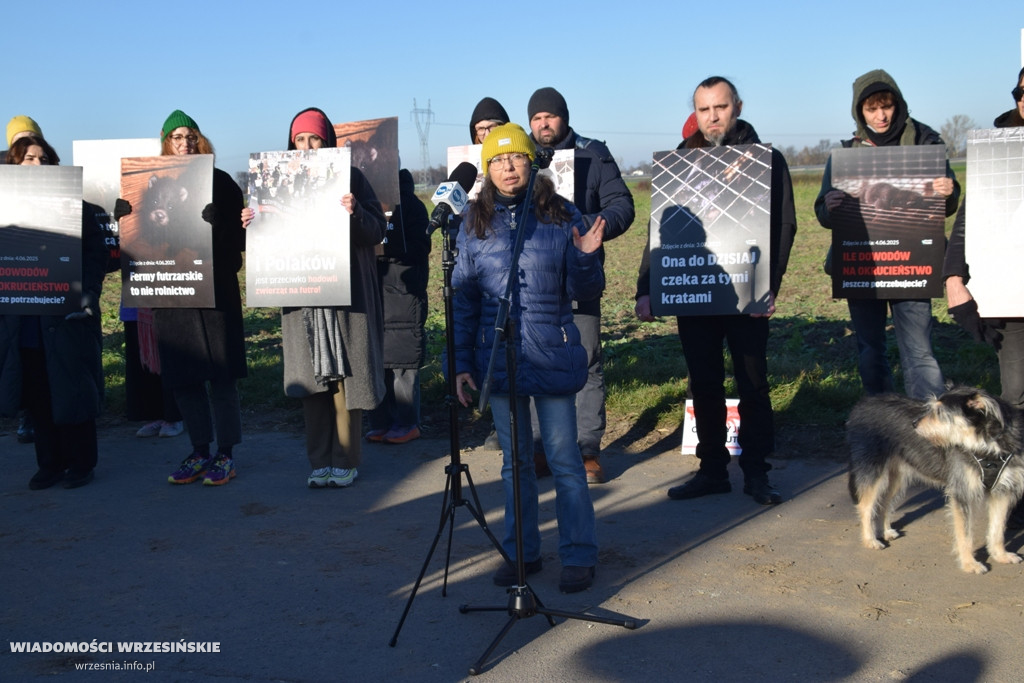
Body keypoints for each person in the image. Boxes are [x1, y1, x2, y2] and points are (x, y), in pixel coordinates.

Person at [452, 123, 604, 593]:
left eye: (515, 157)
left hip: (550, 353)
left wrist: (583, 259)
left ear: (532, 162)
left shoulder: (561, 214)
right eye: (497, 160)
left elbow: (586, 291)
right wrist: (459, 363)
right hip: (497, 357)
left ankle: (579, 554)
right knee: (514, 463)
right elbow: (462, 300)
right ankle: (522, 552)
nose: (508, 167)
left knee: (563, 459)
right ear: (487, 170)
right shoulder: (473, 222)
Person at [635, 76, 797, 505]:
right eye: (704, 109)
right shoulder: (681, 162)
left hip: (747, 293)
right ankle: (712, 470)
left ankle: (757, 473)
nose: (713, 117)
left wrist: (770, 286)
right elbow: (658, 230)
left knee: (753, 383)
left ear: (737, 106)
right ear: (696, 112)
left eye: (720, 107)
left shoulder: (767, 159)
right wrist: (645, 288)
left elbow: (784, 225)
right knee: (703, 383)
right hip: (694, 292)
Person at [244, 107, 386, 488]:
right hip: (301, 296)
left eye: (314, 139)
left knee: (344, 380)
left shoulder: (351, 177)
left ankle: (346, 458)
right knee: (312, 384)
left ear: (327, 142)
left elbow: (378, 231)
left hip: (345, 296)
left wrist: (355, 213)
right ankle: (318, 460)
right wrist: (254, 224)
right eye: (299, 140)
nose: (306, 146)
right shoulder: (276, 182)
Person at [117, 110, 247, 486]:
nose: (185, 143)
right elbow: (142, 240)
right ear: (165, 143)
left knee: (221, 378)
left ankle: (226, 453)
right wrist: (124, 218)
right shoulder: (149, 187)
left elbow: (240, 242)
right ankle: (199, 450)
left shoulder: (219, 182)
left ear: (200, 140)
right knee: (184, 376)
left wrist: (218, 225)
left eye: (191, 136)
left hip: (215, 292)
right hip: (171, 293)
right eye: (176, 137)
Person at [815, 69, 960, 400]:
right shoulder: (846, 152)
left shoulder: (927, 142)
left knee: (919, 350)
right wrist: (829, 205)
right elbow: (823, 214)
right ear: (859, 111)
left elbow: (948, 206)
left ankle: (928, 426)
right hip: (861, 267)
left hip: (912, 265)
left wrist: (948, 191)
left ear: (898, 104)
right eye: (871, 109)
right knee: (870, 349)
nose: (880, 116)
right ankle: (883, 425)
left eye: (887, 106)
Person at [527, 87, 634, 484]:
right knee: (537, 360)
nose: (543, 124)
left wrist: (583, 227)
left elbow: (622, 205)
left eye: (550, 116)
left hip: (580, 277)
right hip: (535, 281)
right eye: (536, 118)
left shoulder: (594, 153)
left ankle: (587, 450)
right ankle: (540, 449)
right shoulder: (522, 158)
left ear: (565, 117)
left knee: (585, 361)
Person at [0, 135, 107, 489]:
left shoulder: (77, 207)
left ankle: (81, 462)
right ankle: (49, 463)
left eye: (44, 159)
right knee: (37, 393)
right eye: (29, 158)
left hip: (65, 316)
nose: (37, 164)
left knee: (72, 387)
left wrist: (88, 293)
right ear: (14, 165)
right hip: (23, 318)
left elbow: (96, 255)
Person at [944, 66, 1024, 526]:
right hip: (1014, 303)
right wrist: (955, 278)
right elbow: (969, 220)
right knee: (1015, 399)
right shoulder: (999, 150)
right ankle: (1017, 498)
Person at [366, 168, 430, 444]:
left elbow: (421, 245)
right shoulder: (362, 202)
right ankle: (380, 421)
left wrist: (390, 248)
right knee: (375, 358)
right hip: (373, 288)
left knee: (402, 360)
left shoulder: (411, 204)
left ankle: (407, 422)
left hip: (403, 290)